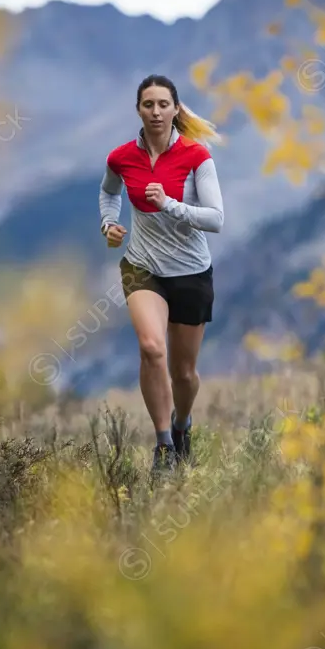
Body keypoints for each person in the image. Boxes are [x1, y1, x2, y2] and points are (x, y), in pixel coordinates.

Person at [98, 73, 224, 473]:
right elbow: (109, 191)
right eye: (148, 104)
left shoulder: (196, 156)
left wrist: (170, 205)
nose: (155, 112)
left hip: (190, 272)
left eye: (162, 105)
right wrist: (108, 223)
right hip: (142, 266)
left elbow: (216, 219)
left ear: (175, 109)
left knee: (183, 373)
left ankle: (182, 425)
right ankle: (164, 446)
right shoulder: (121, 157)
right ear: (138, 109)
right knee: (152, 348)